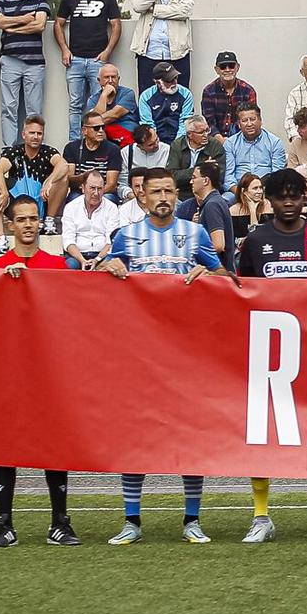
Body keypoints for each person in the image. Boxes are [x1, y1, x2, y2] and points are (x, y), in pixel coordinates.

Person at [102, 167, 220, 545]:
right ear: (142, 196)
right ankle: (132, 520)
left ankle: (191, 519)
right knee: (136, 437)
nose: (164, 197)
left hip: (185, 355)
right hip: (141, 356)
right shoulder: (127, 236)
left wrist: (207, 275)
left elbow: (224, 281)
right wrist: (109, 266)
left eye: (170, 190)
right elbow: (101, 282)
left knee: (188, 437)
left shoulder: (195, 233)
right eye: (156, 192)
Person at [235, 167, 307, 543]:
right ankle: (261, 515)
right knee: (263, 432)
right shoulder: (255, 240)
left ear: (305, 198)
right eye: (280, 196)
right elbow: (242, 294)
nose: (287, 202)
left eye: (294, 195)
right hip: (267, 353)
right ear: (268, 199)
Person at [0, 193, 79, 547]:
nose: (27, 225)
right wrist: (4, 286)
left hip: (49, 372)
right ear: (10, 225)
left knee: (54, 444)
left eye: (32, 219)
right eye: (20, 219)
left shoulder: (55, 266)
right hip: (11, 372)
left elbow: (72, 316)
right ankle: (4, 524)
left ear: (41, 222)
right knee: (5, 444)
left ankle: (60, 523)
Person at [54, 0, 121, 142]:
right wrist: (64, 50)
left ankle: (96, 141)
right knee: (75, 105)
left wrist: (107, 51)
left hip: (98, 61)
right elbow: (58, 24)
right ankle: (75, 143)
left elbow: (116, 25)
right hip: (74, 60)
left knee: (98, 103)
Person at [0, 116, 70, 254]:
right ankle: (1, 239)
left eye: (39, 133)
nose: (36, 137)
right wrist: (4, 193)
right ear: (24, 135)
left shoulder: (48, 152)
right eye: (32, 133)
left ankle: (49, 221)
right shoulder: (14, 152)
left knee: (63, 178)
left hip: (41, 202)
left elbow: (63, 165)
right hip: (16, 205)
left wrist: (50, 180)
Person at [0, 0, 50, 147]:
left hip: (34, 64)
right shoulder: (4, 1)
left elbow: (39, 25)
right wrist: (23, 19)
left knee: (33, 111)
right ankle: (9, 150)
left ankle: (33, 151)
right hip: (9, 61)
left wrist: (10, 25)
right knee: (9, 108)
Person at [128, 0, 194, 94]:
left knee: (180, 94)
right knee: (147, 94)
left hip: (177, 53)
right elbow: (138, 6)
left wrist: (155, 10)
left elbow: (185, 11)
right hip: (149, 53)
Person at [222, 105, 284, 192]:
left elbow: (278, 176)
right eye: (244, 121)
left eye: (252, 119)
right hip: (238, 190)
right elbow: (228, 176)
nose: (249, 124)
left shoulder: (275, 142)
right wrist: (240, 194)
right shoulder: (230, 143)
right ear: (239, 124)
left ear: (260, 121)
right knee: (224, 200)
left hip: (266, 190)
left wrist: (260, 192)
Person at [200, 51, 258, 137]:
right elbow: (209, 122)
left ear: (237, 67)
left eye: (231, 66)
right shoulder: (209, 91)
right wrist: (221, 140)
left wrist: (236, 143)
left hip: (242, 138)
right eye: (223, 67)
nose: (227, 70)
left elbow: (251, 119)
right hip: (215, 139)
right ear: (217, 69)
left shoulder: (248, 91)